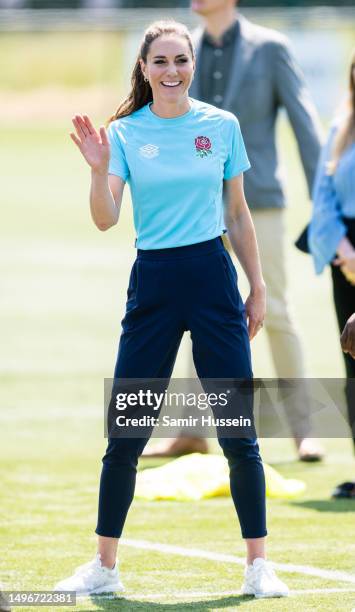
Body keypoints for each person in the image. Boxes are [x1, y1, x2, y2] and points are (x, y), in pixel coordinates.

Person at [54, 20, 289, 598]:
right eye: (160, 61)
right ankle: (104, 567)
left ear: (191, 63)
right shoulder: (125, 135)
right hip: (153, 284)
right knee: (127, 432)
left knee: (238, 429)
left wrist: (256, 286)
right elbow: (107, 217)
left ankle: (258, 565)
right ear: (143, 68)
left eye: (181, 60)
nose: (173, 71)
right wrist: (94, 170)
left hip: (213, 279)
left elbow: (237, 213)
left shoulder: (221, 125)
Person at [144, 0, 324, 461]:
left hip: (257, 202)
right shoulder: (179, 51)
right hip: (196, 208)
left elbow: (305, 125)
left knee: (276, 309)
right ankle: (190, 432)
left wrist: (325, 204)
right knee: (194, 310)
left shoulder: (271, 49)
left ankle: (304, 429)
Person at [309, 49, 355, 498]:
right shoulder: (340, 129)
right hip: (346, 260)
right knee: (353, 364)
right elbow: (322, 199)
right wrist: (344, 251)